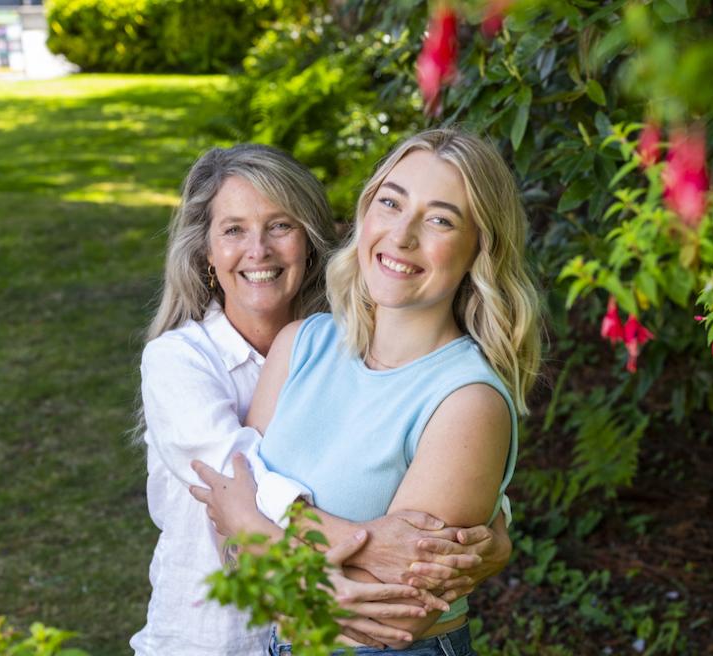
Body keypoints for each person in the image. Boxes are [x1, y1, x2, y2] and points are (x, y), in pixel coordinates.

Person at [130, 144, 511, 656]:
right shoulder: (279, 350)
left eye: (441, 219)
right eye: (392, 204)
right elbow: (227, 504)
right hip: (211, 639)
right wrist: (251, 526)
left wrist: (248, 523)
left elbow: (397, 614)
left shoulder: (458, 396)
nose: (402, 235)